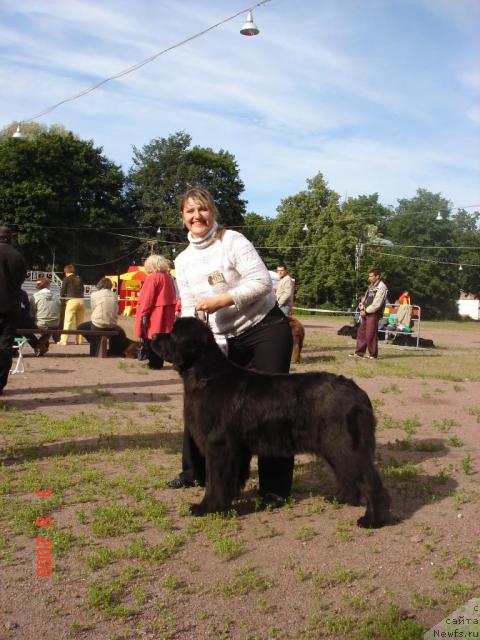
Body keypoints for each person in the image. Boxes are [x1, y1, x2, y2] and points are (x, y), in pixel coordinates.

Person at [168, 186, 294, 510]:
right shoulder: (182, 261)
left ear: (212, 212)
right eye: (190, 212)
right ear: (183, 218)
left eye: (203, 209)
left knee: (271, 409)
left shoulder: (233, 241)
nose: (197, 216)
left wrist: (223, 300)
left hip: (265, 329)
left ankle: (275, 488)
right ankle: (223, 483)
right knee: (226, 415)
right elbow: (188, 309)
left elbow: (263, 282)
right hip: (227, 339)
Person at [134, 255, 177, 370]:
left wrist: (143, 312)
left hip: (155, 311)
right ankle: (159, 362)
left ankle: (154, 363)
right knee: (162, 337)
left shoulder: (153, 277)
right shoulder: (168, 277)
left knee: (151, 336)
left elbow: (148, 297)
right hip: (167, 310)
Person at [0, 226, 27, 395]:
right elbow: (20, 282)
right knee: (5, 346)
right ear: (10, 238)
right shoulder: (18, 257)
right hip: (9, 307)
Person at [349, 268, 388, 360]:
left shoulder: (382, 287)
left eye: (371, 276)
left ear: (377, 276)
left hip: (374, 313)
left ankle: (373, 355)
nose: (369, 278)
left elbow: (377, 303)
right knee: (361, 332)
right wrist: (362, 308)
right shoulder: (371, 286)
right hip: (366, 312)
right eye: (369, 276)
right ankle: (359, 353)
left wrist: (366, 311)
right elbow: (366, 299)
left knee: (371, 334)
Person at [78, 277, 119, 356]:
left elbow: (93, 309)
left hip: (98, 325)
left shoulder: (94, 295)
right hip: (112, 325)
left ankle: (94, 350)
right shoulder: (115, 295)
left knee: (81, 327)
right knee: (94, 325)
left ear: (100, 284)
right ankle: (100, 345)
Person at [29, 277, 61, 356]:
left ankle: (38, 346)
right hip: (55, 323)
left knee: (26, 328)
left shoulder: (35, 296)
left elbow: (32, 314)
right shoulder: (56, 296)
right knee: (49, 327)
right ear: (48, 285)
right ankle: (42, 345)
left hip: (42, 324)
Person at [59, 265, 85, 345]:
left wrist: (63, 301)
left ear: (66, 271)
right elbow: (83, 289)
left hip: (71, 301)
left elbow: (62, 292)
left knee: (68, 322)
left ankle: (63, 341)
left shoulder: (66, 279)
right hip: (81, 301)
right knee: (80, 323)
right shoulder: (79, 278)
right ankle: (79, 341)